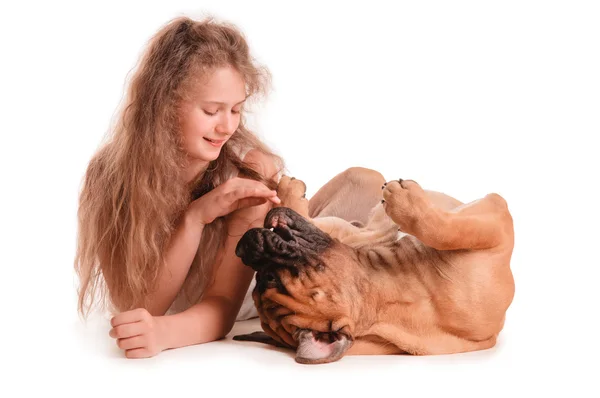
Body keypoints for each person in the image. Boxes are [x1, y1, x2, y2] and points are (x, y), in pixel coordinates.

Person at [74, 15, 385, 359]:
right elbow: (140, 307)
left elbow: (222, 307)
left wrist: (162, 334)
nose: (226, 127)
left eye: (236, 110)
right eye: (211, 111)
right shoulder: (109, 175)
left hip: (278, 280)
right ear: (163, 106)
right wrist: (196, 217)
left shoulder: (243, 175)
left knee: (366, 186)